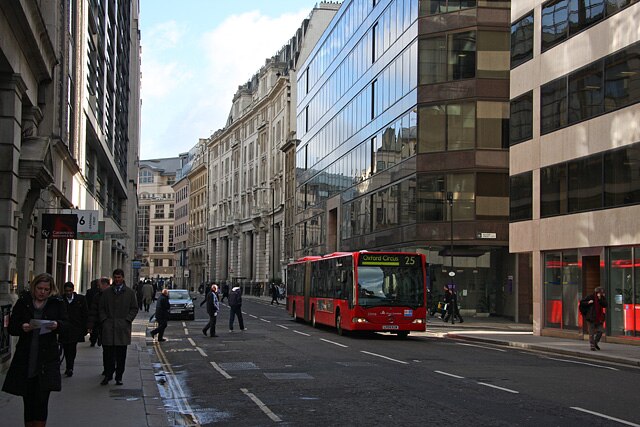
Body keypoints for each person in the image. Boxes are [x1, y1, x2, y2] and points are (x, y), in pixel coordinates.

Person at [2, 273, 67, 427]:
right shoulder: (24, 302)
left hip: (47, 359)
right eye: (39, 288)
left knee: (42, 400)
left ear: (51, 289)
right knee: (28, 400)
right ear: (34, 287)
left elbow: (68, 325)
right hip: (26, 357)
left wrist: (57, 325)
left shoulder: (56, 303)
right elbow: (11, 327)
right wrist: (22, 327)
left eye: (46, 289)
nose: (42, 292)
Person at [98, 268, 139, 386]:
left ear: (123, 278)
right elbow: (101, 308)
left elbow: (134, 308)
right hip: (109, 327)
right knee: (107, 355)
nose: (117, 280)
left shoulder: (130, 293)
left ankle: (119, 376)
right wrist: (104, 320)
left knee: (121, 355)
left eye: (119, 277)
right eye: (115, 277)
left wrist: (127, 320)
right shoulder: (106, 293)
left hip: (122, 328)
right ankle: (108, 375)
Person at [59, 282, 88, 377]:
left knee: (72, 348)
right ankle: (68, 365)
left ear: (73, 290)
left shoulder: (80, 299)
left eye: (70, 291)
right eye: (66, 291)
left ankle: (70, 367)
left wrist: (85, 328)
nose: (68, 293)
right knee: (65, 348)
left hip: (75, 328)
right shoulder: (60, 300)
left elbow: (85, 314)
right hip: (64, 328)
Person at [580, 286, 608, 351]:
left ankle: (595, 342)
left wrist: (600, 298)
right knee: (591, 333)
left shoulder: (602, 298)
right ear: (596, 292)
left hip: (599, 318)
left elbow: (605, 305)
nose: (601, 294)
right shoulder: (590, 297)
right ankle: (592, 345)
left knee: (600, 331)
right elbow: (582, 303)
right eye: (600, 292)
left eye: (602, 293)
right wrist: (588, 302)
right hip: (591, 318)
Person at [85, 279, 100, 346]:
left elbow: (86, 301)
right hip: (97, 311)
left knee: (92, 326)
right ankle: (97, 337)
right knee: (96, 326)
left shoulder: (89, 291)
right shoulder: (99, 292)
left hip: (90, 311)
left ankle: (93, 339)